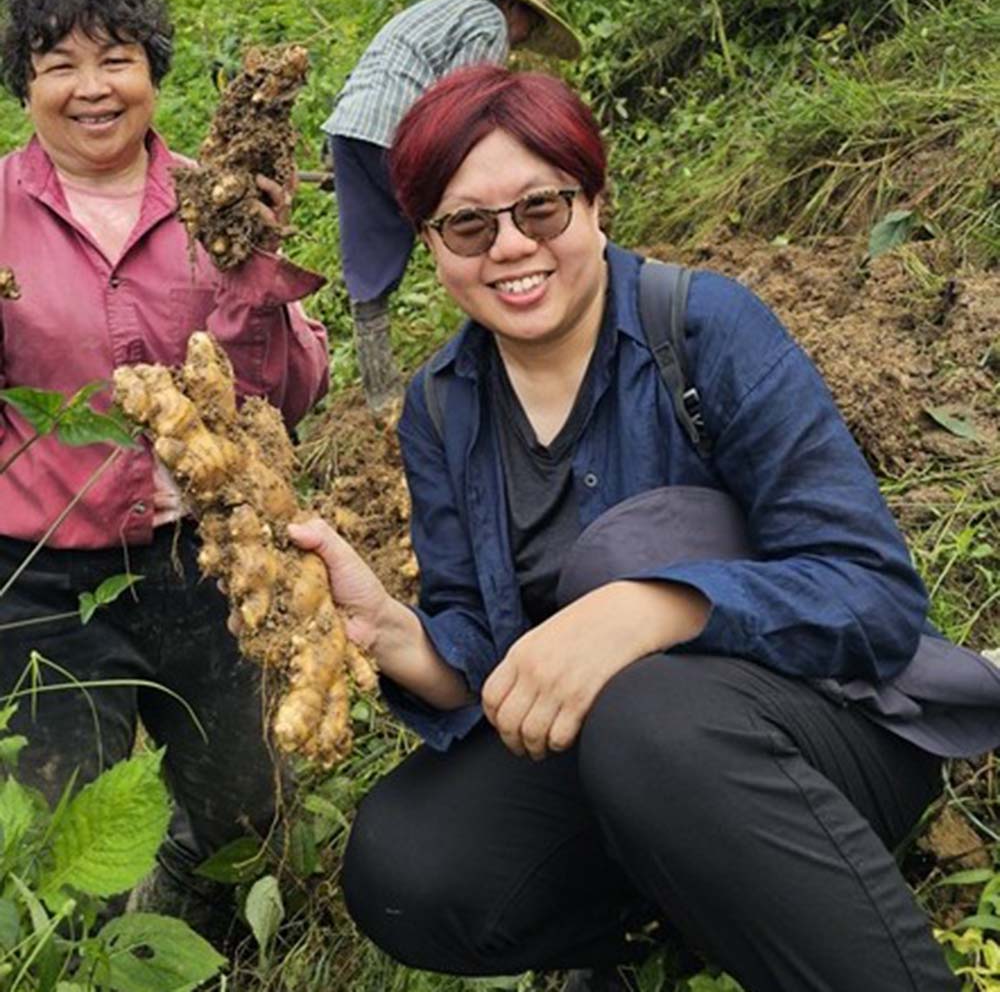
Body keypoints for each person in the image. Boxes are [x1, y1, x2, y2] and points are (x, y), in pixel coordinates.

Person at [291, 63, 1000, 991]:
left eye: (541, 209)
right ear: (431, 242)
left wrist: (655, 608)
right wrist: (391, 632)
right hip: (629, 760)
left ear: (595, 203)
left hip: (823, 730)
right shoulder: (443, 404)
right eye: (468, 224)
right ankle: (681, 912)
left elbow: (870, 594)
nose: (509, 248)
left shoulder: (705, 328)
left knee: (643, 709)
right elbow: (479, 644)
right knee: (405, 864)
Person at [0, 0, 329, 948]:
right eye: (59, 63)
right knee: (67, 851)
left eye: (117, 59)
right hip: (44, 584)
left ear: (153, 72)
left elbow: (289, 397)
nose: (91, 88)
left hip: (212, 565)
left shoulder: (217, 196)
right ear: (26, 83)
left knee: (245, 813)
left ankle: (192, 940)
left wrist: (254, 264)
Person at [320, 0, 581, 416]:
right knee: (476, 233)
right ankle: (504, 365)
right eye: (529, 28)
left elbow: (371, 73)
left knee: (368, 271)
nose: (520, 40)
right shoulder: (488, 19)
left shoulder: (434, 11)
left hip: (350, 128)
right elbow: (465, 110)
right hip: (398, 129)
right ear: (516, 9)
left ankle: (382, 400)